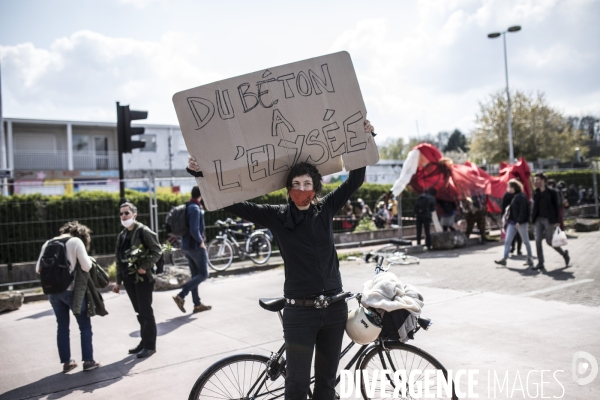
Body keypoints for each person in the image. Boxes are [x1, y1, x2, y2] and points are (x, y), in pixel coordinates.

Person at [187, 120, 375, 400]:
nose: (302, 189)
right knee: (297, 387)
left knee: (326, 385)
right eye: (296, 184)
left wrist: (365, 135)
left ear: (316, 188)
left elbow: (355, 179)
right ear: (288, 190)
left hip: (335, 309)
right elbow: (231, 202)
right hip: (300, 313)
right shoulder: (276, 216)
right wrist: (199, 174)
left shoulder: (325, 209)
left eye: (307, 184)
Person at [36, 221, 101, 372]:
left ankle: (67, 362)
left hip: (53, 292)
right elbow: (86, 266)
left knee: (62, 326)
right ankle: (88, 361)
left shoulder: (48, 243)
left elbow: (37, 269)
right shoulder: (75, 241)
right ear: (82, 235)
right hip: (72, 291)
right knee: (84, 325)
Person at [112, 202, 163, 358]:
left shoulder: (143, 231)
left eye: (126, 213)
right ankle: (144, 342)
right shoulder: (122, 235)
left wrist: (145, 266)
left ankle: (150, 345)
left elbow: (157, 251)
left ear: (135, 214)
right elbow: (119, 259)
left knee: (146, 311)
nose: (123, 216)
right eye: (121, 214)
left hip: (143, 278)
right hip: (129, 279)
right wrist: (118, 281)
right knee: (139, 312)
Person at [173, 186, 212, 314]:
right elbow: (194, 229)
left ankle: (197, 304)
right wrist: (201, 242)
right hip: (195, 247)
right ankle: (181, 295)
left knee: (196, 275)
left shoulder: (188, 206)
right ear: (201, 195)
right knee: (204, 274)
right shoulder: (195, 208)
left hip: (186, 246)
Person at [531, 172, 570, 271]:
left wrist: (557, 220)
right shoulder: (536, 192)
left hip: (548, 219)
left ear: (543, 180)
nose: (535, 182)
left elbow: (556, 207)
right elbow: (535, 206)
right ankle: (540, 263)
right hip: (538, 219)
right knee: (538, 240)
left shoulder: (552, 192)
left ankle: (564, 254)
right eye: (534, 180)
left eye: (537, 180)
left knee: (549, 241)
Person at [495, 180, 534, 267]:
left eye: (509, 187)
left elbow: (523, 210)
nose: (508, 189)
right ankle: (504, 258)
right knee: (508, 240)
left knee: (526, 241)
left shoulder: (521, 197)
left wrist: (519, 221)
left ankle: (530, 258)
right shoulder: (515, 196)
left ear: (514, 187)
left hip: (520, 223)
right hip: (512, 222)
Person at [501, 186, 522, 255]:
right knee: (509, 236)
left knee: (519, 235)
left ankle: (519, 249)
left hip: (518, 218)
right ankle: (511, 248)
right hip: (510, 219)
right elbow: (503, 206)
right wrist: (503, 216)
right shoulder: (507, 195)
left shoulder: (519, 195)